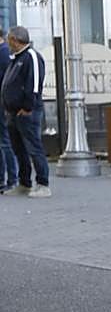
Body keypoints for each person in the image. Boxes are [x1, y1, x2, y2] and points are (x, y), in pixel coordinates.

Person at [1, 26, 51, 197]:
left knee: (33, 147)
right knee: (19, 148)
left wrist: (28, 107)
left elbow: (34, 84)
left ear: (15, 40)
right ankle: (24, 182)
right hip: (13, 112)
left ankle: (43, 183)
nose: (8, 43)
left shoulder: (31, 57)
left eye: (9, 40)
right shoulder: (16, 58)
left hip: (27, 112)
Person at [0, 32, 17, 193]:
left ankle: (12, 179)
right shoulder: (5, 52)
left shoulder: (4, 53)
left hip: (2, 105)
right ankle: (6, 179)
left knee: (5, 142)